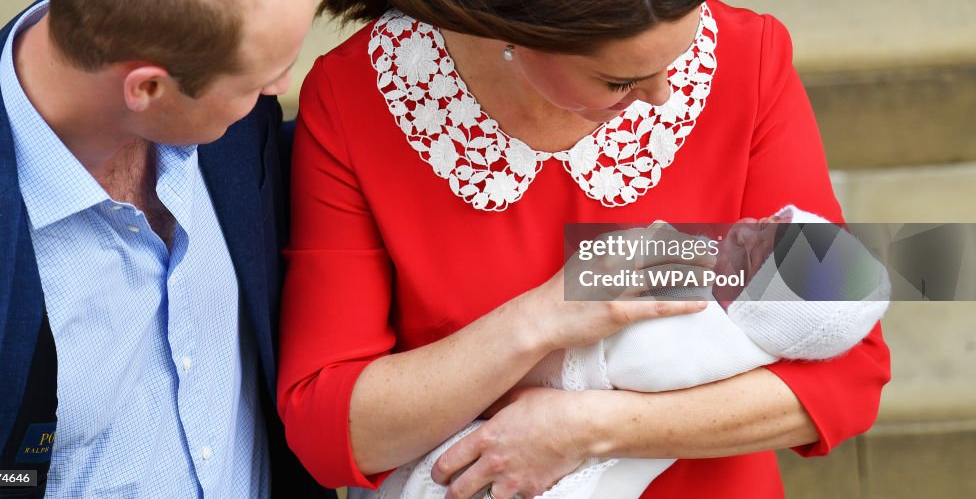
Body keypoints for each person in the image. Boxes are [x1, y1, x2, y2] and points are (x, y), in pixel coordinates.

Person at [232, 0, 892, 498]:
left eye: (682, 48)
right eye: (620, 80)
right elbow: (333, 427)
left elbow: (849, 371)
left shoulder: (744, 59)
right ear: (510, 31)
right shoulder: (362, 95)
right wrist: (541, 318)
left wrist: (587, 427)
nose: (668, 95)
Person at [0, 0, 333, 499]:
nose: (277, 91)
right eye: (260, 79)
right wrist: (9, 481)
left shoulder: (236, 123)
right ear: (147, 89)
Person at [380, 205, 892, 498]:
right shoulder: (714, 300)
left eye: (751, 249)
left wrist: (518, 377)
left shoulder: (690, 336)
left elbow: (574, 369)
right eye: (765, 223)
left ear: (756, 304)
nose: (739, 227)